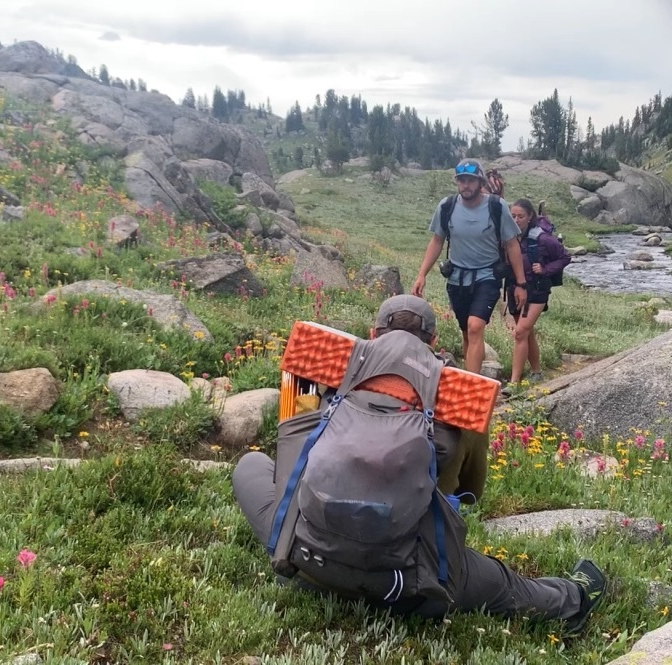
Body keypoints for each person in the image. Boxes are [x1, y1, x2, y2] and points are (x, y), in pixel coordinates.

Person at [232, 295, 606, 633]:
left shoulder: (321, 371)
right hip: (407, 582)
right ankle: (575, 599)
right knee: (506, 586)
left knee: (251, 466)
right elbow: (470, 493)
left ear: (372, 333)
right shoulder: (460, 399)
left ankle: (304, 560)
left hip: (304, 557)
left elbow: (292, 450)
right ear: (432, 341)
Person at [412, 158, 527, 375]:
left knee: (476, 326)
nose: (466, 185)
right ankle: (470, 374)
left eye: (471, 180)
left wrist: (521, 283)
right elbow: (437, 241)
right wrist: (421, 275)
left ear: (480, 182)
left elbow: (512, 245)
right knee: (467, 331)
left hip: (488, 277)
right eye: (461, 180)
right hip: (457, 279)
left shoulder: (496, 206)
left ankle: (470, 385)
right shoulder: (447, 206)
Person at [503, 199, 571, 393]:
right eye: (513, 216)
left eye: (521, 216)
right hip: (514, 289)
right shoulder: (507, 237)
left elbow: (565, 257)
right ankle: (536, 371)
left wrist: (546, 268)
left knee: (520, 332)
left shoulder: (542, 239)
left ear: (530, 216)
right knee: (527, 332)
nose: (516, 220)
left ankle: (514, 383)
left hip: (538, 290)